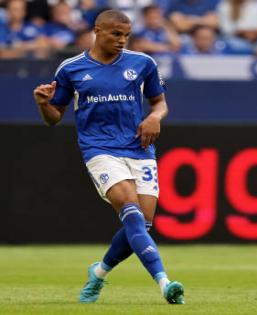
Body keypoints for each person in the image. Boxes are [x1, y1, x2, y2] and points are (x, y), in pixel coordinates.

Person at [32, 9, 185, 305]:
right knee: (132, 215)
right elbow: (53, 117)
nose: (122, 40)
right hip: (99, 150)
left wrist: (156, 117)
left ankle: (99, 273)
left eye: (126, 35)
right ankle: (165, 283)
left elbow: (159, 103)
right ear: (97, 30)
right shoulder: (71, 68)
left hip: (139, 149)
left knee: (142, 224)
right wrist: (42, 104)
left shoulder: (143, 63)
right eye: (116, 34)